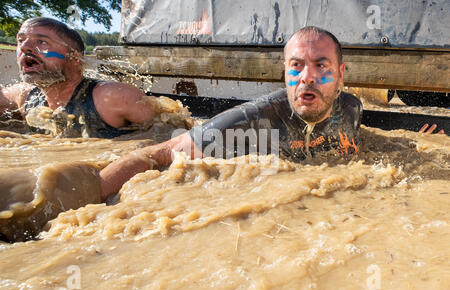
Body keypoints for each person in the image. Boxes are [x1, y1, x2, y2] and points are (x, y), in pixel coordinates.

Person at [99, 26, 364, 199]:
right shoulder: (253, 122)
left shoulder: (352, 110)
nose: (307, 77)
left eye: (321, 65)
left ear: (340, 74)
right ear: (285, 73)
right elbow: (160, 153)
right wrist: (88, 195)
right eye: (297, 66)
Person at [0, 17, 156, 138]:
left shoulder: (112, 96)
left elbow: (168, 133)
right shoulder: (24, 96)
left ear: (75, 58)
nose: (24, 47)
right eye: (21, 40)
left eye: (41, 42)